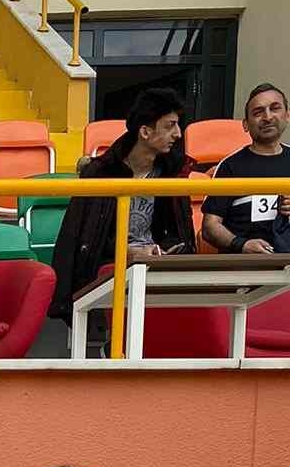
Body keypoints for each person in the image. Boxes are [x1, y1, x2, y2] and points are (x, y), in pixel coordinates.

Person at [50, 87, 194, 330]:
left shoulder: (173, 172)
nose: (178, 134)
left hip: (159, 261)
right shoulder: (101, 173)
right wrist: (127, 253)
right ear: (145, 132)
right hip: (112, 262)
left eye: (178, 125)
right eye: (170, 126)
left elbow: (180, 233)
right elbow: (86, 241)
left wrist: (162, 251)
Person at [202, 82, 289, 254]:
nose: (267, 117)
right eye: (258, 112)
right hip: (243, 265)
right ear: (245, 124)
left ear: (287, 115)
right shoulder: (229, 166)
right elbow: (210, 226)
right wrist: (241, 245)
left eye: (275, 108)